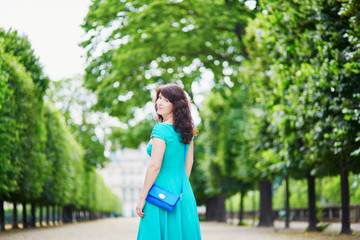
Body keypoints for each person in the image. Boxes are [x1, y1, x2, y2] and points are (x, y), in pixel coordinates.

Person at [136, 83, 202, 240]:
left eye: (165, 100)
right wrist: (180, 183)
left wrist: (142, 198)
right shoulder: (187, 131)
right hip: (182, 191)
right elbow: (189, 162)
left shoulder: (160, 130)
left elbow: (155, 166)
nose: (159, 102)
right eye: (159, 98)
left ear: (176, 105)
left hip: (160, 192)